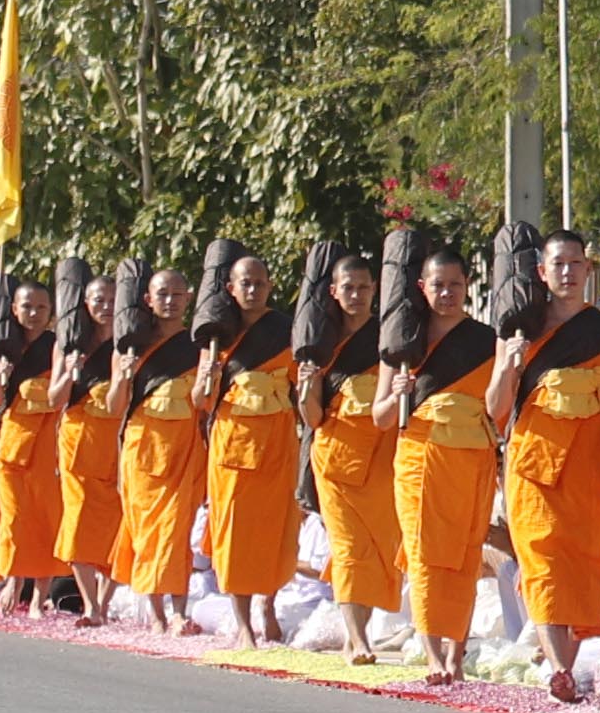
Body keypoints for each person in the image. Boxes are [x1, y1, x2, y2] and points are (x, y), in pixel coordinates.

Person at [493, 226, 600, 704]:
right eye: (558, 264)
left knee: (583, 564)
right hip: (533, 466)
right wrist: (509, 365)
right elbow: (495, 408)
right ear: (541, 272)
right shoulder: (519, 332)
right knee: (543, 560)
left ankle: (566, 668)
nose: (568, 272)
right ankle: (558, 668)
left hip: (591, 468)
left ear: (588, 270)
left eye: (576, 263)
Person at [390, 231, 505, 685]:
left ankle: (456, 653)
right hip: (419, 457)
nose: (447, 294)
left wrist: (510, 365)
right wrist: (396, 393)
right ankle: (433, 654)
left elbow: (498, 408)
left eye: (455, 285)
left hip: (471, 457)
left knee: (464, 554)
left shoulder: (486, 341)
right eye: (438, 285)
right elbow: (382, 417)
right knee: (423, 552)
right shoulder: (404, 343)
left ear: (466, 286)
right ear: (422, 287)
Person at [199, 249, 305, 644]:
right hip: (232, 445)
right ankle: (243, 623)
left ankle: (269, 604)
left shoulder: (286, 330)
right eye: (246, 283)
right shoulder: (217, 335)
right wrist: (207, 377)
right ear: (231, 288)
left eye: (260, 283)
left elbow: (298, 387)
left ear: (270, 286)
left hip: (277, 442)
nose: (253, 290)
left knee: (275, 530)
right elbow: (201, 401)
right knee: (235, 533)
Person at [305, 243, 408, 646]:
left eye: (364, 288)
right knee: (348, 548)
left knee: (377, 546)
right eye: (348, 288)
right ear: (334, 291)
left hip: (381, 455)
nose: (356, 295)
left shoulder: (388, 337)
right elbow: (312, 418)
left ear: (375, 289)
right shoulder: (320, 343)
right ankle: (358, 638)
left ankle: (356, 634)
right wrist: (307, 387)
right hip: (335, 458)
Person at [112, 262, 212, 633]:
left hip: (184, 451)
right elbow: (114, 407)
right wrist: (123, 376)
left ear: (189, 299)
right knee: (147, 531)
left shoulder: (199, 346)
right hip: (143, 451)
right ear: (147, 299)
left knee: (176, 532)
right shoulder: (131, 348)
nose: (170, 301)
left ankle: (179, 611)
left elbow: (204, 405)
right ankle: (155, 613)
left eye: (177, 295)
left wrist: (207, 379)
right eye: (162, 294)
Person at [0, 271, 73, 609]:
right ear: (14, 309)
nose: (34, 313)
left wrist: (69, 372)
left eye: (42, 307)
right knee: (13, 518)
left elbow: (57, 398)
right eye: (27, 306)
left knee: (45, 518)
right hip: (11, 445)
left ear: (51, 311)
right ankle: (13, 581)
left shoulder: (56, 346)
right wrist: (0, 378)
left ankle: (39, 598)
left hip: (46, 445)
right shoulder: (4, 348)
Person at [58, 265, 130, 611]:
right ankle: (90, 604)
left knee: (118, 521)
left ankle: (104, 601)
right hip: (79, 441)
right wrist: (70, 373)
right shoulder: (70, 345)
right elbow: (55, 399)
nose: (106, 307)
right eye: (99, 300)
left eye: (113, 300)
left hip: (116, 440)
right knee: (78, 520)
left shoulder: (130, 344)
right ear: (86, 303)